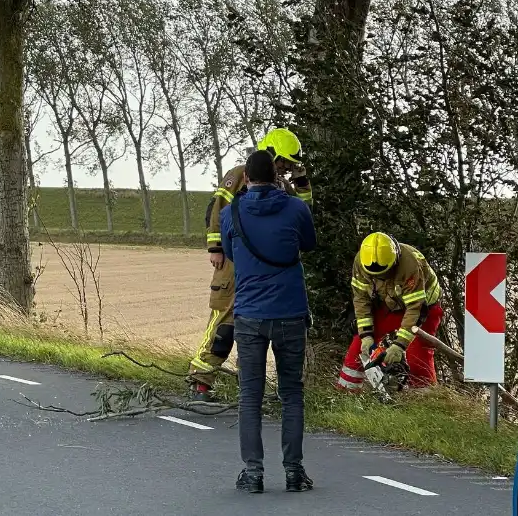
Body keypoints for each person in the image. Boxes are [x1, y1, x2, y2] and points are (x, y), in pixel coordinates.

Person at [189, 128, 314, 401]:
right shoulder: (240, 173)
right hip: (233, 260)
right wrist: (216, 248)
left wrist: (302, 184)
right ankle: (200, 380)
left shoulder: (282, 184)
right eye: (283, 162)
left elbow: (303, 214)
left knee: (258, 326)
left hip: (262, 265)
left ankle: (251, 386)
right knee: (225, 323)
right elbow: (218, 208)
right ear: (271, 153)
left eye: (289, 164)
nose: (285, 168)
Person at [220, 149, 316, 494]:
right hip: (290, 311)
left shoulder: (232, 213)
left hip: (249, 315)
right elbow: (309, 243)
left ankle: (253, 472)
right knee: (291, 394)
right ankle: (294, 471)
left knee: (250, 396)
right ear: (277, 176)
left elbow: (231, 255)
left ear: (246, 177)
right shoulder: (296, 208)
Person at [335, 232, 445, 391]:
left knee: (418, 356)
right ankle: (345, 394)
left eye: (384, 273)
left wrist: (399, 345)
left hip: (425, 306)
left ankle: (424, 402)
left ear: (395, 260)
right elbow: (361, 299)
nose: (381, 277)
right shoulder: (361, 263)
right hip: (390, 302)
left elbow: (416, 308)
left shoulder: (410, 264)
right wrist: (366, 335)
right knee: (359, 345)